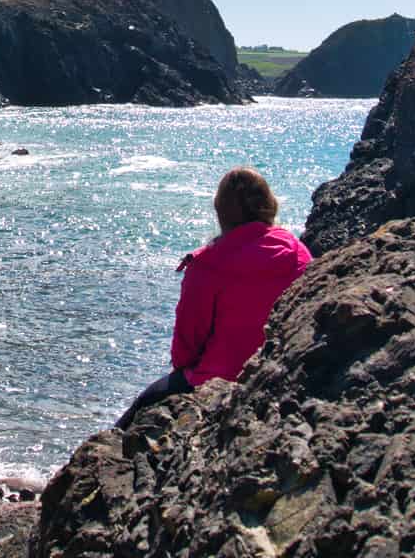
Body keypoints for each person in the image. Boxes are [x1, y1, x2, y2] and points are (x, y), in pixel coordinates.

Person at [115, 167, 312, 429]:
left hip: (218, 378)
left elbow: (188, 342)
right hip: (283, 372)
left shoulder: (208, 264)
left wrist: (184, 372)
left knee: (135, 415)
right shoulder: (298, 252)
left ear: (220, 211)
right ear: (269, 205)